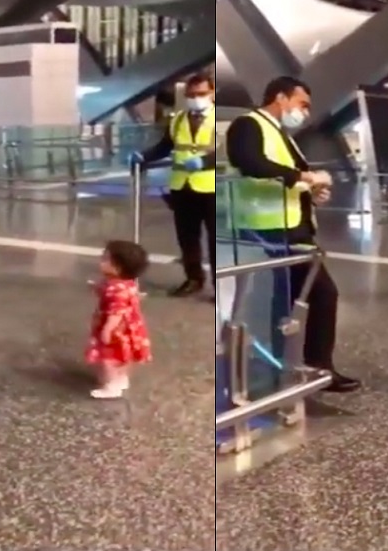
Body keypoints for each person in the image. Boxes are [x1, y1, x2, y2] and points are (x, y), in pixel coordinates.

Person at [224, 76, 358, 393]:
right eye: (302, 104)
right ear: (281, 97)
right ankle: (314, 366)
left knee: (287, 297)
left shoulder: (281, 134)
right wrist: (304, 176)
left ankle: (287, 364)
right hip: (267, 228)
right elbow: (250, 163)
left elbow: (281, 178)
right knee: (322, 293)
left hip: (288, 226)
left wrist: (309, 192)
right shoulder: (248, 124)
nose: (305, 113)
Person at [138, 73, 223, 298]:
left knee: (216, 240)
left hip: (211, 187)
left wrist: (204, 161)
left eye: (201, 94)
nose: (196, 98)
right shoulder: (177, 119)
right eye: (191, 95)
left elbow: (229, 151)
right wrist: (143, 156)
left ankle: (219, 286)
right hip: (182, 187)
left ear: (213, 93)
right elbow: (165, 146)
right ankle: (193, 278)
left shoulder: (221, 119)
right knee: (187, 238)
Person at [86, 240, 152, 399]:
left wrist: (108, 328)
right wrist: (98, 288)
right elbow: (127, 298)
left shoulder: (115, 288)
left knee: (109, 357)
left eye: (105, 259)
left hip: (117, 329)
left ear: (118, 267)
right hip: (129, 328)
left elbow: (116, 311)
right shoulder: (125, 284)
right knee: (124, 354)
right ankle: (121, 378)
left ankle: (111, 385)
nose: (100, 261)